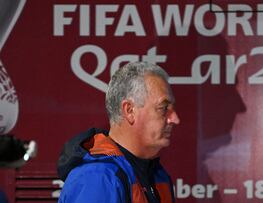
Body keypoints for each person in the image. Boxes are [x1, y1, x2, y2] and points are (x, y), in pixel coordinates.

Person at [57, 62, 180, 203]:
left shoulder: (157, 174)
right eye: (163, 108)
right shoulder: (97, 178)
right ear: (129, 111)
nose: (175, 119)